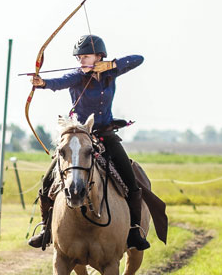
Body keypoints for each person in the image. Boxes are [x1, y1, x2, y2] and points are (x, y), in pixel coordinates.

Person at [27, 34, 150, 251]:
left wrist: (110, 65)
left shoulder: (111, 71)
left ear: (99, 56)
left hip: (106, 135)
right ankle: (46, 230)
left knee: (131, 181)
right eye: (79, 57)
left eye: (86, 56)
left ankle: (133, 231)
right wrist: (42, 82)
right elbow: (59, 82)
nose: (81, 61)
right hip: (80, 137)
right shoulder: (77, 76)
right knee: (47, 183)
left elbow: (138, 59)